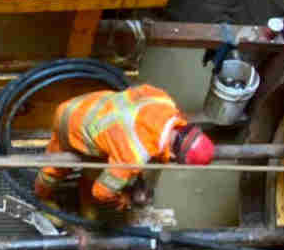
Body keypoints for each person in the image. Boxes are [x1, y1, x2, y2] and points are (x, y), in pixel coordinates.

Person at [33, 84, 214, 210]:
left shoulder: (164, 100)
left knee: (109, 162)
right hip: (71, 125)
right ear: (176, 158)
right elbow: (101, 192)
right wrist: (123, 200)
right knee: (54, 169)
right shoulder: (133, 156)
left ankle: (83, 184)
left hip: (88, 104)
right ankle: (41, 198)